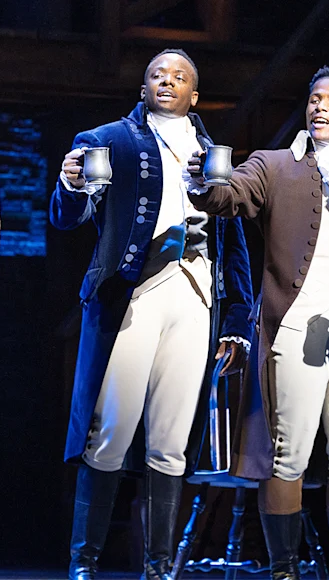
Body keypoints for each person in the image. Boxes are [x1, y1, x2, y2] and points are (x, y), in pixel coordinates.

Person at [187, 65, 329, 580]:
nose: (319, 107)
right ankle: (284, 570)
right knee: (286, 453)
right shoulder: (274, 165)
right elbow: (229, 195)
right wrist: (204, 180)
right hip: (294, 325)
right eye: (315, 99)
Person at [50, 49, 253, 580]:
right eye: (157, 75)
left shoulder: (214, 154)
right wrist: (71, 185)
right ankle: (84, 564)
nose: (167, 81)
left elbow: (234, 243)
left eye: (178, 76)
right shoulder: (108, 140)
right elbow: (68, 219)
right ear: (143, 89)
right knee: (111, 429)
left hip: (195, 297)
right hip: (134, 294)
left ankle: (160, 568)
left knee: (172, 436)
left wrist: (237, 320)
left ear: (194, 94)